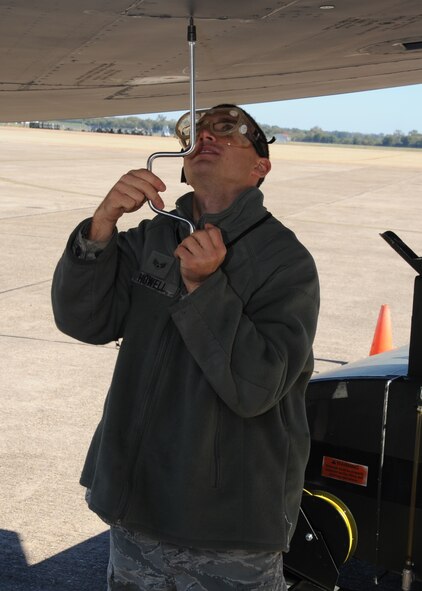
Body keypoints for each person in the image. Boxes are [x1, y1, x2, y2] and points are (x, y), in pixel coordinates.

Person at [51, 104, 319, 590]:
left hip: (227, 523)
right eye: (195, 132)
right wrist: (102, 226)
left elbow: (257, 386)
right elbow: (84, 321)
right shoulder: (155, 234)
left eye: (228, 128)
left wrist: (204, 286)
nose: (205, 137)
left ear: (262, 167)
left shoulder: (286, 260)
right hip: (138, 504)